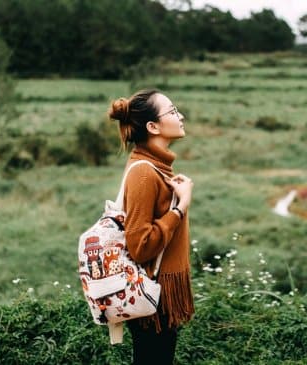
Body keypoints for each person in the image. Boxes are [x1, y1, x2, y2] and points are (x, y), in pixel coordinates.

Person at [107, 89, 194, 364]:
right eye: (172, 111)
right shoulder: (144, 172)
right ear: (153, 126)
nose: (180, 116)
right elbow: (140, 245)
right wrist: (180, 207)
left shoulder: (157, 167)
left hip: (160, 294)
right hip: (151, 294)